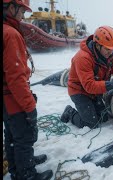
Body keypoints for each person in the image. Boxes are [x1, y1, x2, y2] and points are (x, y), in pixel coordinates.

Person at [3, 0, 53, 179]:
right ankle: (27, 174)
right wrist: (30, 106)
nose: (23, 16)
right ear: (11, 8)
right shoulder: (10, 34)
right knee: (24, 136)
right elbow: (16, 78)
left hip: (5, 100)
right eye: (22, 11)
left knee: (11, 134)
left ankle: (18, 166)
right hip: (13, 98)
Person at [60, 26, 113, 129]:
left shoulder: (109, 55)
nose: (110, 52)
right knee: (91, 123)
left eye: (112, 49)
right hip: (79, 92)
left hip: (96, 91)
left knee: (104, 118)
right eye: (107, 49)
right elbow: (89, 86)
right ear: (97, 45)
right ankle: (69, 112)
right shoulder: (82, 58)